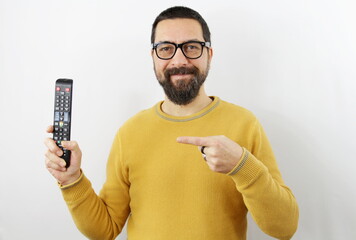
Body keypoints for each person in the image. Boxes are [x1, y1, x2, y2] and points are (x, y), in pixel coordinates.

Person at [44, 6, 299, 240]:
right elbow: (105, 229)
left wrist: (242, 167)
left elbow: (284, 227)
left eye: (191, 47)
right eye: (166, 48)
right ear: (153, 56)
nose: (179, 61)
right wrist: (72, 179)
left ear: (209, 54)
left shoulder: (244, 124)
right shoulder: (130, 132)